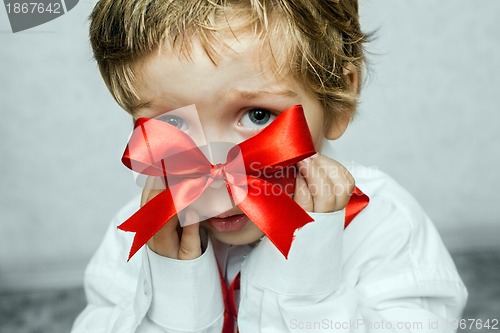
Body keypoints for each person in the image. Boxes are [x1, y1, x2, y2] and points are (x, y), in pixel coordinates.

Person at [73, 0, 467, 332]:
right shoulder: (137, 231)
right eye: (173, 123)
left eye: (259, 114)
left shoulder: (385, 227)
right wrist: (173, 295)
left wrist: (305, 278)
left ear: (341, 98)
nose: (213, 165)